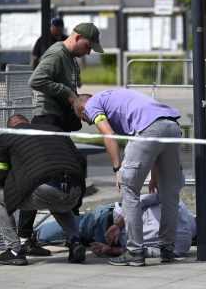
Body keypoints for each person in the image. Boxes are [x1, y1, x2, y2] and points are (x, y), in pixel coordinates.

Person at [18, 22, 104, 255]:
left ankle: (65, 235)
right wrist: (68, 95)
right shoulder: (57, 53)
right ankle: (37, 238)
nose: (89, 52)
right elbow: (35, 80)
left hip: (57, 123)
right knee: (49, 175)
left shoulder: (70, 59)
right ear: (77, 38)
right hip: (46, 121)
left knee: (61, 172)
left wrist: (78, 105)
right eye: (88, 46)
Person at [74, 89, 185, 267]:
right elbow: (155, 143)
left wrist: (118, 168)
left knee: (129, 190)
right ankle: (167, 249)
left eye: (82, 117)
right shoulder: (115, 97)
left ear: (82, 109)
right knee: (169, 195)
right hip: (171, 126)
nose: (85, 121)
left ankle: (134, 251)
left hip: (148, 129)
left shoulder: (92, 105)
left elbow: (108, 135)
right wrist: (154, 176)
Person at [0, 114, 87, 266]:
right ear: (27, 123)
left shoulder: (6, 137)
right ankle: (75, 242)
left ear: (10, 127)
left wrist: (15, 177)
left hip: (47, 189)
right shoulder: (54, 131)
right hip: (75, 190)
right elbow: (80, 160)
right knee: (58, 199)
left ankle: (14, 250)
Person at [35, 193, 206, 258]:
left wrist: (117, 225)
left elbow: (139, 201)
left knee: (75, 226)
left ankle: (32, 236)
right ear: (198, 241)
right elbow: (146, 251)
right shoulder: (182, 246)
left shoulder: (177, 203)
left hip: (111, 217)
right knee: (73, 230)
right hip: (115, 241)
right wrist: (109, 250)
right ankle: (36, 237)